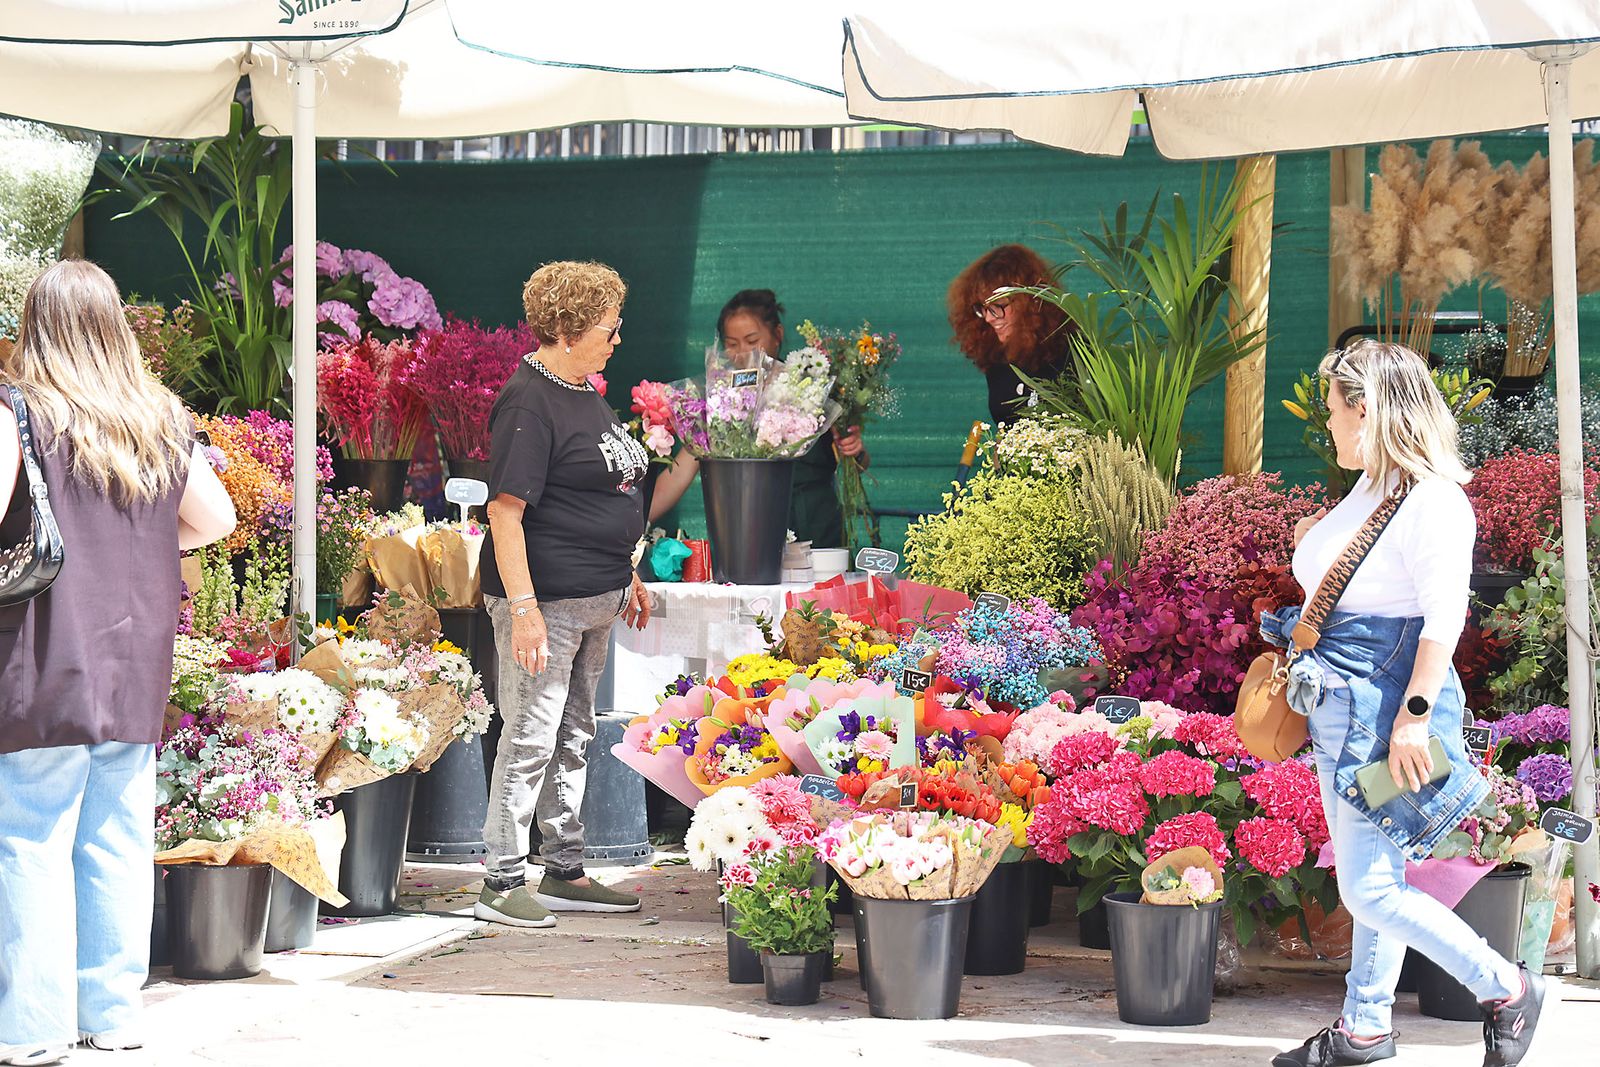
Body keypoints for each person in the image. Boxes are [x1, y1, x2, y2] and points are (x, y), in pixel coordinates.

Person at [1267, 340, 1547, 1067]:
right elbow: (1360, 580)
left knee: (1367, 885)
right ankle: (1363, 1027)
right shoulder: (1376, 490)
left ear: (1368, 410)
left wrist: (1414, 719)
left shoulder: (1432, 501)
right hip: (1344, 710)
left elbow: (1441, 619)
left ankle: (1507, 987)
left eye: (1334, 411)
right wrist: (1311, 544)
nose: (1328, 425)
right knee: (1375, 875)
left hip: (1386, 720)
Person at [0, 260, 236, 1066]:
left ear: (38, 325)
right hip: (134, 653)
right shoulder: (160, 417)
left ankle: (31, 1028)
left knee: (29, 835)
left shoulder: (19, 410)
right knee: (116, 836)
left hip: (41, 649)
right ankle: (112, 1012)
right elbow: (217, 517)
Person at [477, 260, 654, 928]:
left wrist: (624, 568)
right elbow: (505, 512)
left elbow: (603, 489)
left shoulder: (582, 390)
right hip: (545, 604)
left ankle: (563, 867)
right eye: (607, 327)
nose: (616, 337)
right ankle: (498, 880)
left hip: (593, 599)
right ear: (570, 327)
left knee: (574, 733)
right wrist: (523, 609)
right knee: (530, 732)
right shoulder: (530, 400)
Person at [946, 244, 1076, 426]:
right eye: (982, 308)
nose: (988, 318)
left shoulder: (1073, 355)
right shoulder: (997, 359)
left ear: (1030, 302)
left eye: (998, 306)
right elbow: (1004, 431)